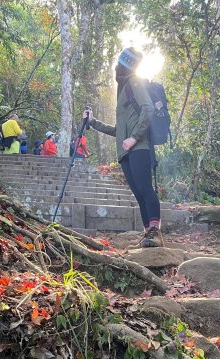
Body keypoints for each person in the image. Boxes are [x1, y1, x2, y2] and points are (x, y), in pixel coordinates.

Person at [84, 47, 163, 248]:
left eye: (119, 64)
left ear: (124, 65)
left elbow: (148, 108)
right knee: (138, 191)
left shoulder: (134, 82)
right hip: (126, 151)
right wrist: (93, 122)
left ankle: (155, 232)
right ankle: (147, 233)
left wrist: (135, 138)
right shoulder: (123, 91)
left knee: (145, 188)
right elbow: (118, 130)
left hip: (139, 147)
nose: (116, 68)